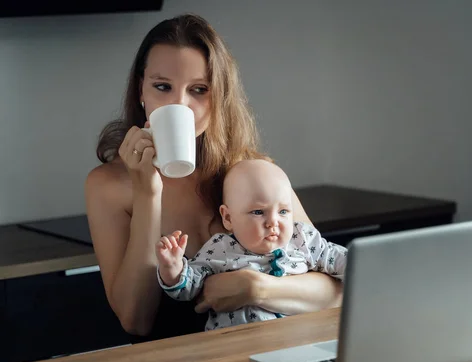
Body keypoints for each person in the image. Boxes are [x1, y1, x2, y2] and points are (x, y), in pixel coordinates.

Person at [84, 13, 343, 341]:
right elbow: (136, 320)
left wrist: (255, 287)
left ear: (219, 95)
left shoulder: (253, 173)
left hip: (272, 354)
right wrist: (147, 192)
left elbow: (335, 291)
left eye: (199, 90)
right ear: (141, 91)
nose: (180, 104)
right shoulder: (108, 185)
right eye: (162, 87)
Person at [156, 159, 347, 330]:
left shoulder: (301, 237)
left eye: (283, 211)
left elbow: (340, 261)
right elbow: (187, 289)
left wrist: (365, 265)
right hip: (238, 345)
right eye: (258, 212)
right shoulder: (220, 248)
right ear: (228, 217)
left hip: (300, 338)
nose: (273, 222)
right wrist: (173, 268)